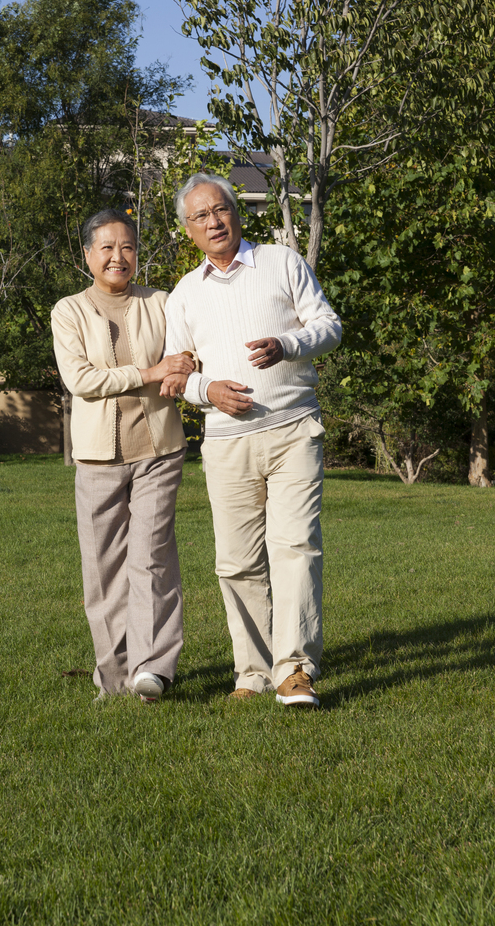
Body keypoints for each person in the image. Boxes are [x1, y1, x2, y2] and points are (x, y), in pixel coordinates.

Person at [162, 174, 342, 706]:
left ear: (237, 214)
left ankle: (295, 670)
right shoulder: (184, 296)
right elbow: (177, 377)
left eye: (221, 210)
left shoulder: (282, 262)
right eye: (201, 216)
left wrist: (288, 344)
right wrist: (208, 389)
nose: (214, 221)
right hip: (225, 443)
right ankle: (254, 672)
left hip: (293, 431)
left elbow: (330, 326)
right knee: (236, 561)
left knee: (295, 547)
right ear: (187, 230)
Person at [51, 208, 194, 703]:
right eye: (106, 247)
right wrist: (152, 372)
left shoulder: (163, 302)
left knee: (151, 560)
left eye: (128, 247)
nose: (118, 256)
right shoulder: (68, 310)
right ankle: (112, 679)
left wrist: (180, 369)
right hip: (96, 458)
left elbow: (189, 352)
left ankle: (152, 670)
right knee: (103, 569)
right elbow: (82, 380)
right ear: (88, 255)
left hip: (159, 450)